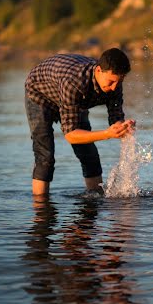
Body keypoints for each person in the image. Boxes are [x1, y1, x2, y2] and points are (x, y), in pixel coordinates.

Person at [25, 48, 135, 195]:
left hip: (72, 99)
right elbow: (70, 135)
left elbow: (116, 119)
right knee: (45, 156)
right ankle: (40, 208)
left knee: (89, 154)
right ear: (98, 71)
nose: (114, 87)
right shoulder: (74, 82)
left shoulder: (114, 84)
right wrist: (107, 134)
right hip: (40, 95)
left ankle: (95, 198)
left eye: (119, 82)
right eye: (111, 82)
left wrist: (123, 127)